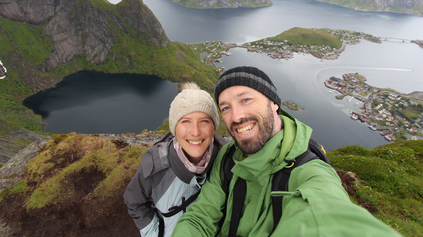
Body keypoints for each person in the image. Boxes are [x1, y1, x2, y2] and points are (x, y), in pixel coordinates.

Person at [172, 66, 402, 236]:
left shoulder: (309, 171)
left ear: (273, 103)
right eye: (226, 108)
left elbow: (324, 217)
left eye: (246, 99)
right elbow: (200, 218)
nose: (237, 116)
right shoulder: (227, 157)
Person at [124, 82, 222, 237]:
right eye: (185, 121)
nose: (195, 132)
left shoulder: (228, 159)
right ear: (174, 127)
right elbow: (134, 200)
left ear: (214, 126)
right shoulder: (156, 165)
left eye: (204, 121)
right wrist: (155, 233)